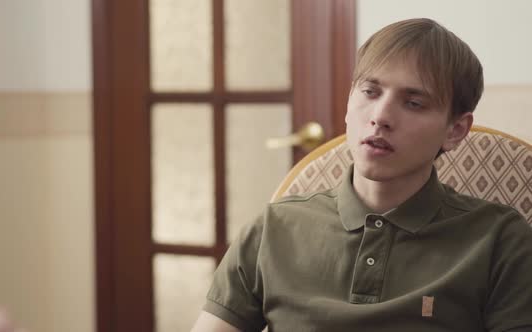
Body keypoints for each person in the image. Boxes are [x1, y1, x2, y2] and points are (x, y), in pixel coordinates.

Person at [191, 18, 532, 332]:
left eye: (413, 102)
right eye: (370, 91)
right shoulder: (272, 229)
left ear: (455, 130)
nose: (380, 116)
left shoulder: (500, 240)